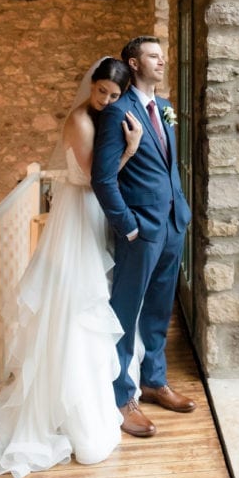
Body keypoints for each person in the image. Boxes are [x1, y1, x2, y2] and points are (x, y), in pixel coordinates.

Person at [0, 57, 143, 478]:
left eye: (113, 94)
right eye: (101, 90)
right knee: (75, 307)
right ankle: (67, 413)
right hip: (77, 212)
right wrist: (129, 150)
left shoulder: (99, 115)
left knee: (87, 303)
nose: (105, 99)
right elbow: (94, 179)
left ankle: (86, 400)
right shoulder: (82, 121)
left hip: (88, 214)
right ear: (91, 84)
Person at [91, 35, 195, 439]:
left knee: (158, 311)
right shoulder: (118, 109)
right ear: (133, 64)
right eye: (153, 55)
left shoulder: (164, 109)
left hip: (173, 224)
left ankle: (154, 381)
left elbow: (170, 168)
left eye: (163, 54)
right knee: (125, 313)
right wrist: (127, 225)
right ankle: (122, 397)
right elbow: (103, 177)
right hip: (140, 230)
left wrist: (180, 213)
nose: (162, 60)